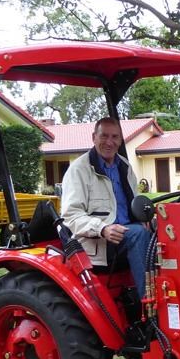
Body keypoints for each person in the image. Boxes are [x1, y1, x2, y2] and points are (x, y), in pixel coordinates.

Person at [61, 117, 151, 300]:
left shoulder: (124, 166)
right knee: (138, 234)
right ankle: (150, 305)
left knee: (167, 233)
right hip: (98, 242)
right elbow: (71, 215)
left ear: (120, 140)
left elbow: (133, 203)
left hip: (125, 234)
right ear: (94, 137)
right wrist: (102, 228)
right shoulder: (79, 169)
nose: (109, 142)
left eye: (115, 137)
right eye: (104, 136)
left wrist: (145, 218)